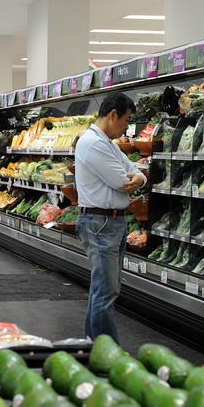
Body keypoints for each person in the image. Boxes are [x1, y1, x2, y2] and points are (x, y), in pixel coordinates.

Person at [75, 92, 145, 342]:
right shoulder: (94, 143)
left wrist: (138, 177)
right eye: (126, 120)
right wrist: (134, 178)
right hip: (100, 223)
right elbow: (121, 181)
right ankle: (109, 353)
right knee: (106, 291)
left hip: (109, 222)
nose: (127, 126)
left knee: (101, 290)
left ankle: (92, 346)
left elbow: (136, 172)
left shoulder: (106, 143)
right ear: (113, 114)